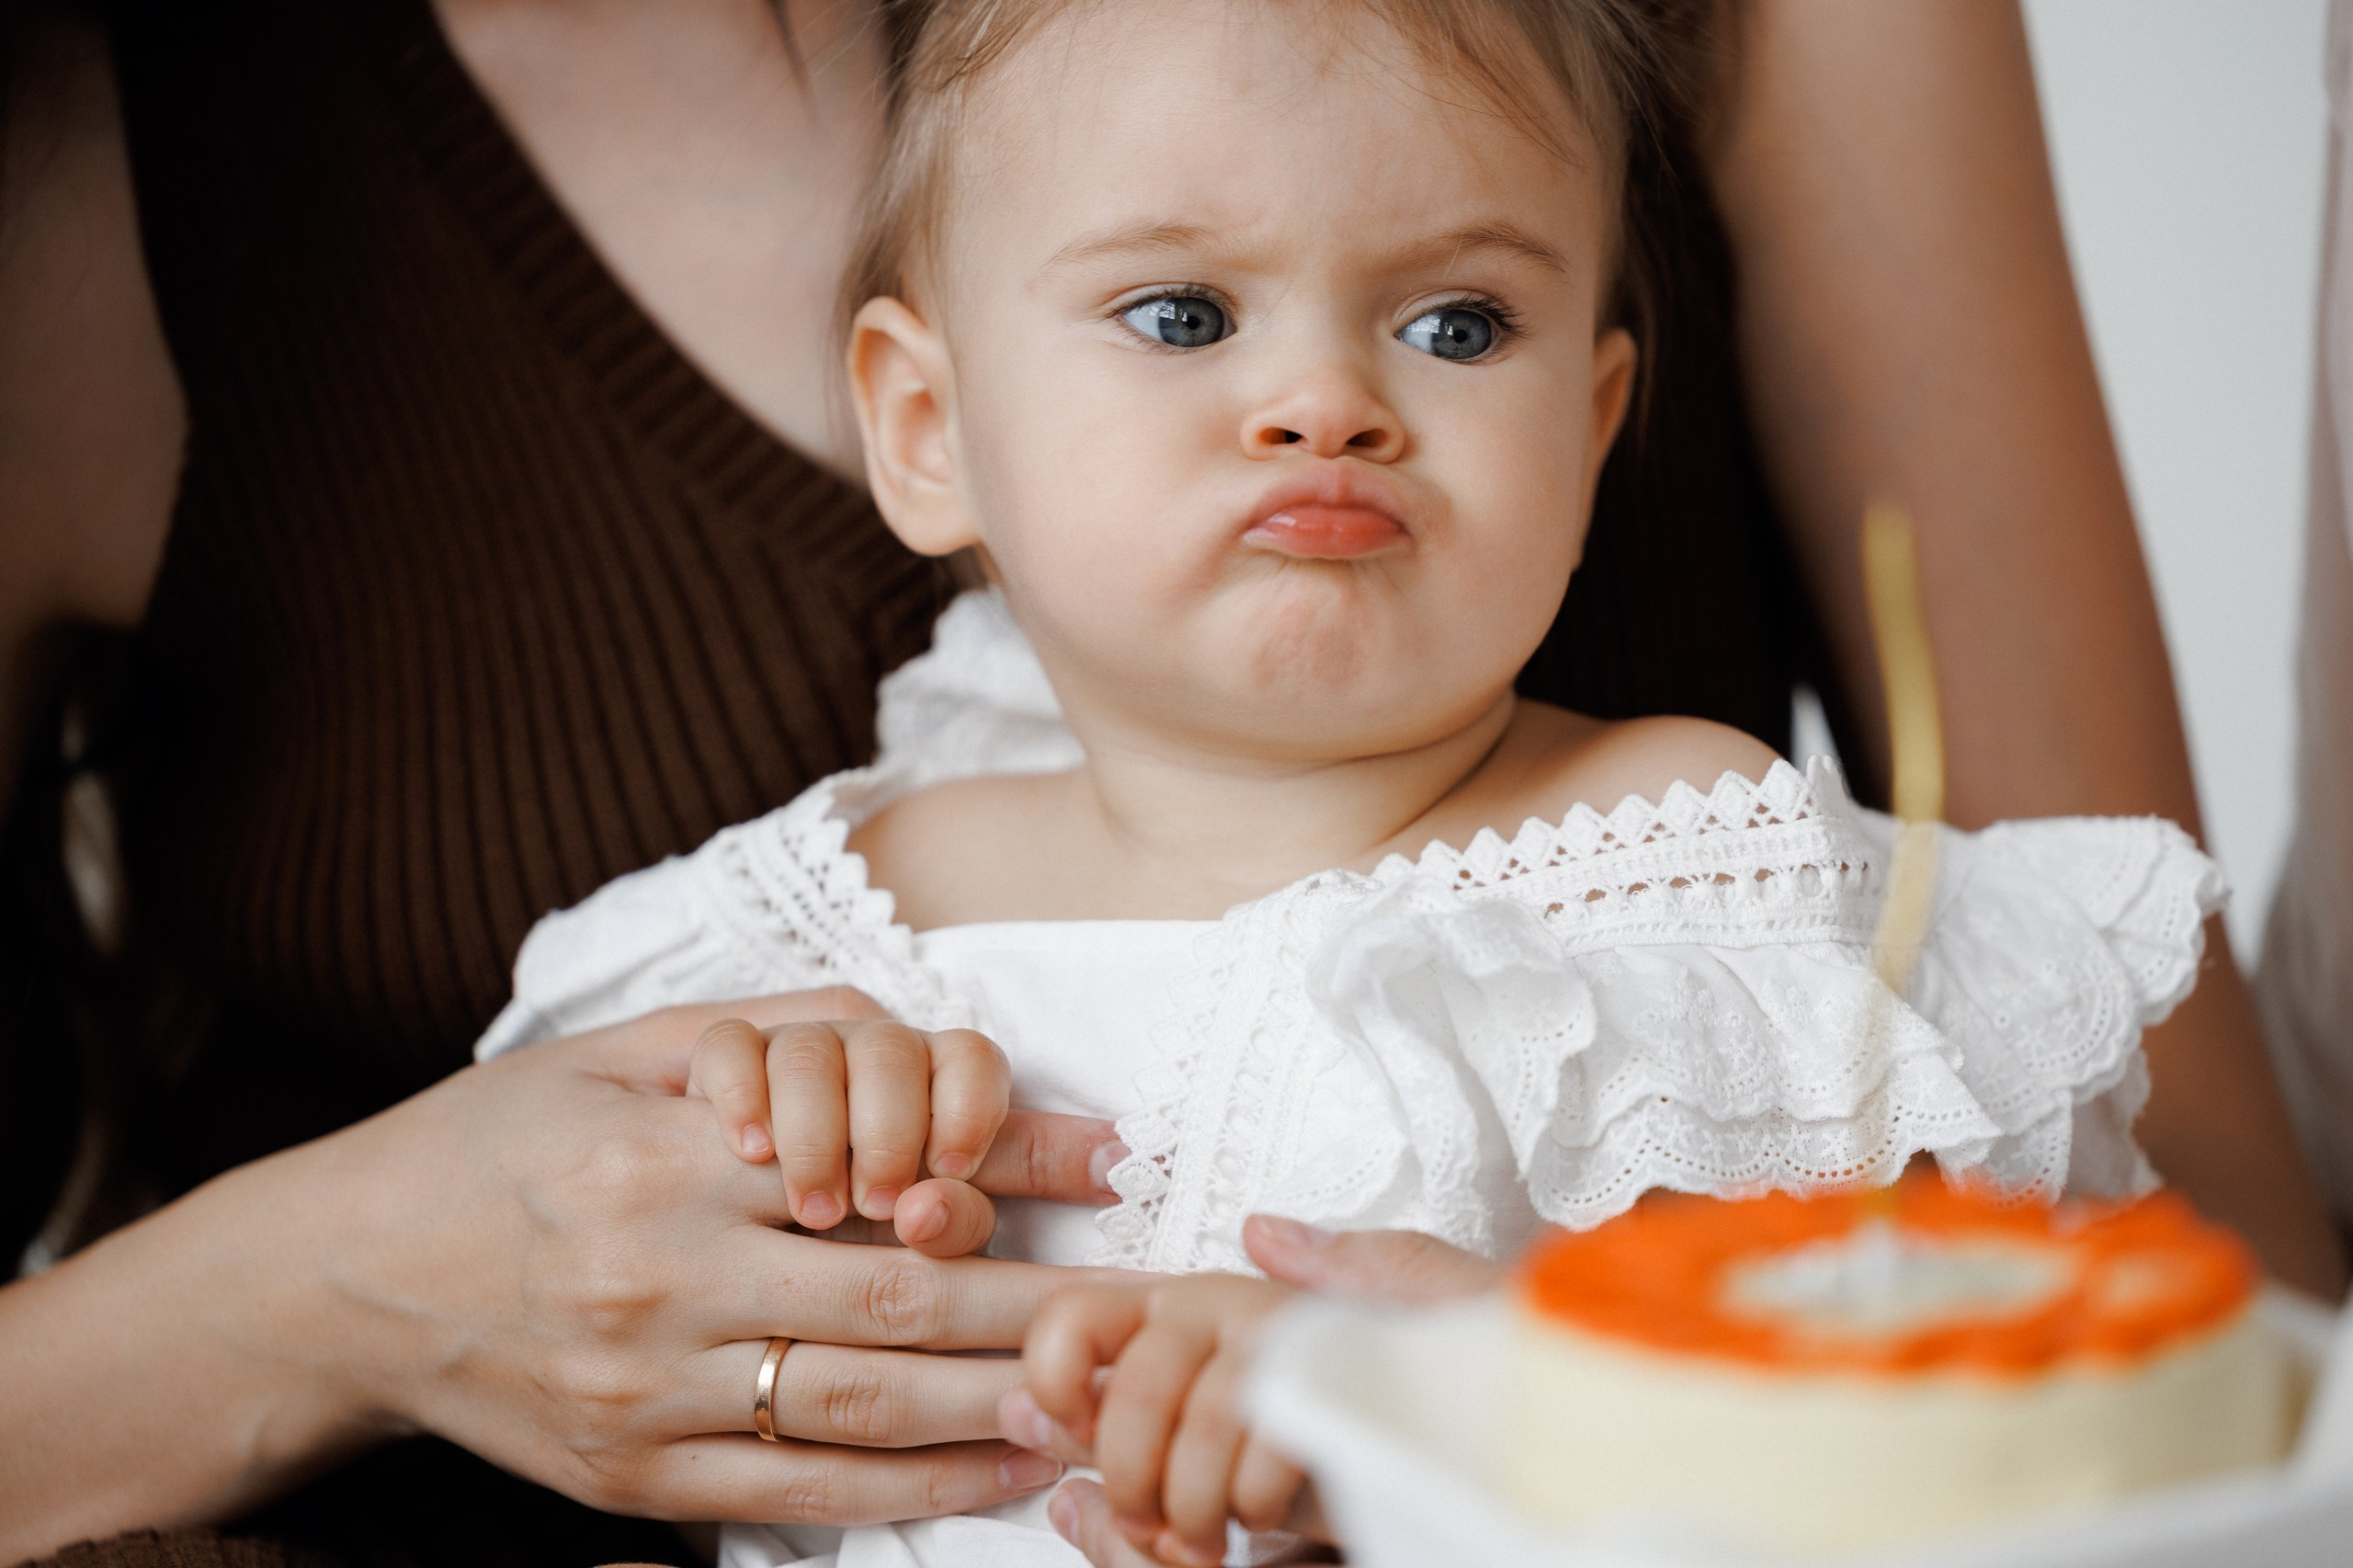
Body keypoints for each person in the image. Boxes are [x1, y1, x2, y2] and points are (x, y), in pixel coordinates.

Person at [0, 1, 2336, 1565]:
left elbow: (2138, 1375)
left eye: (1452, 323)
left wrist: (1509, 1418)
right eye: (1181, 316)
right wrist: (767, 1132)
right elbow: (598, 1181)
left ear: (1603, 412)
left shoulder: (1733, 899)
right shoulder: (808, 926)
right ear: (926, 425)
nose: (1323, 401)